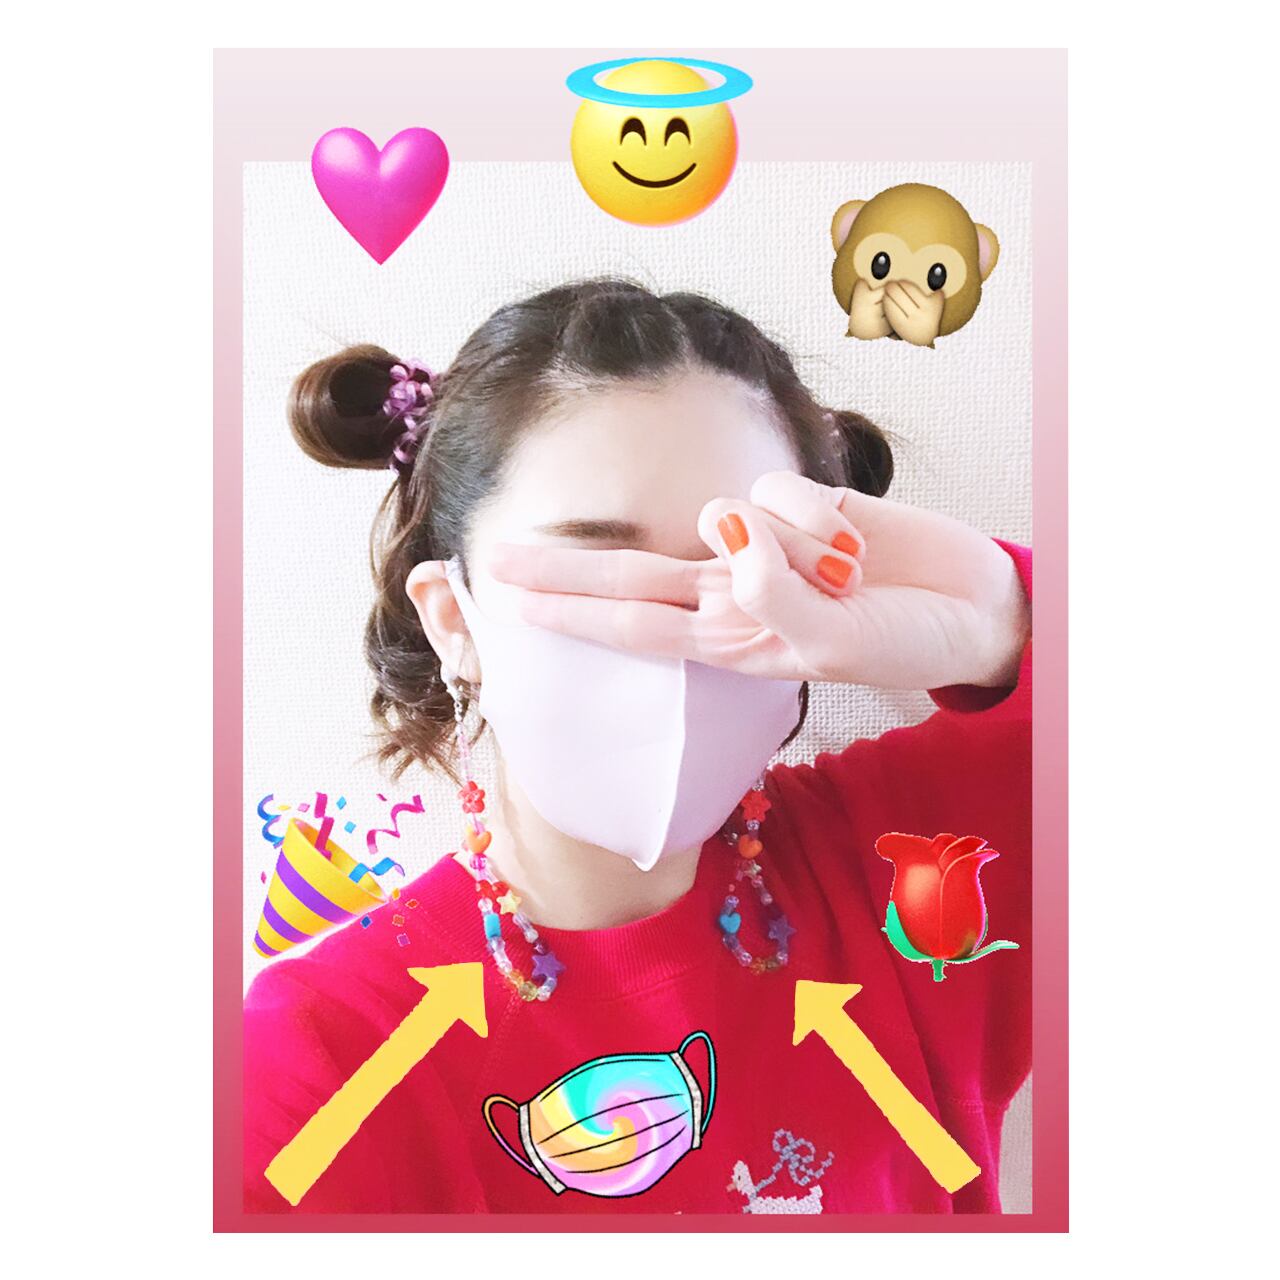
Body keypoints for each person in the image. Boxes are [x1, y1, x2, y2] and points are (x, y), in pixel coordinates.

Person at [244, 278, 1032, 1214]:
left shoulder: (915, 872)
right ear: (454, 619)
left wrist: (1004, 620)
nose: (672, 635)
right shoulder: (322, 1058)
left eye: (734, 569)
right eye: (596, 571)